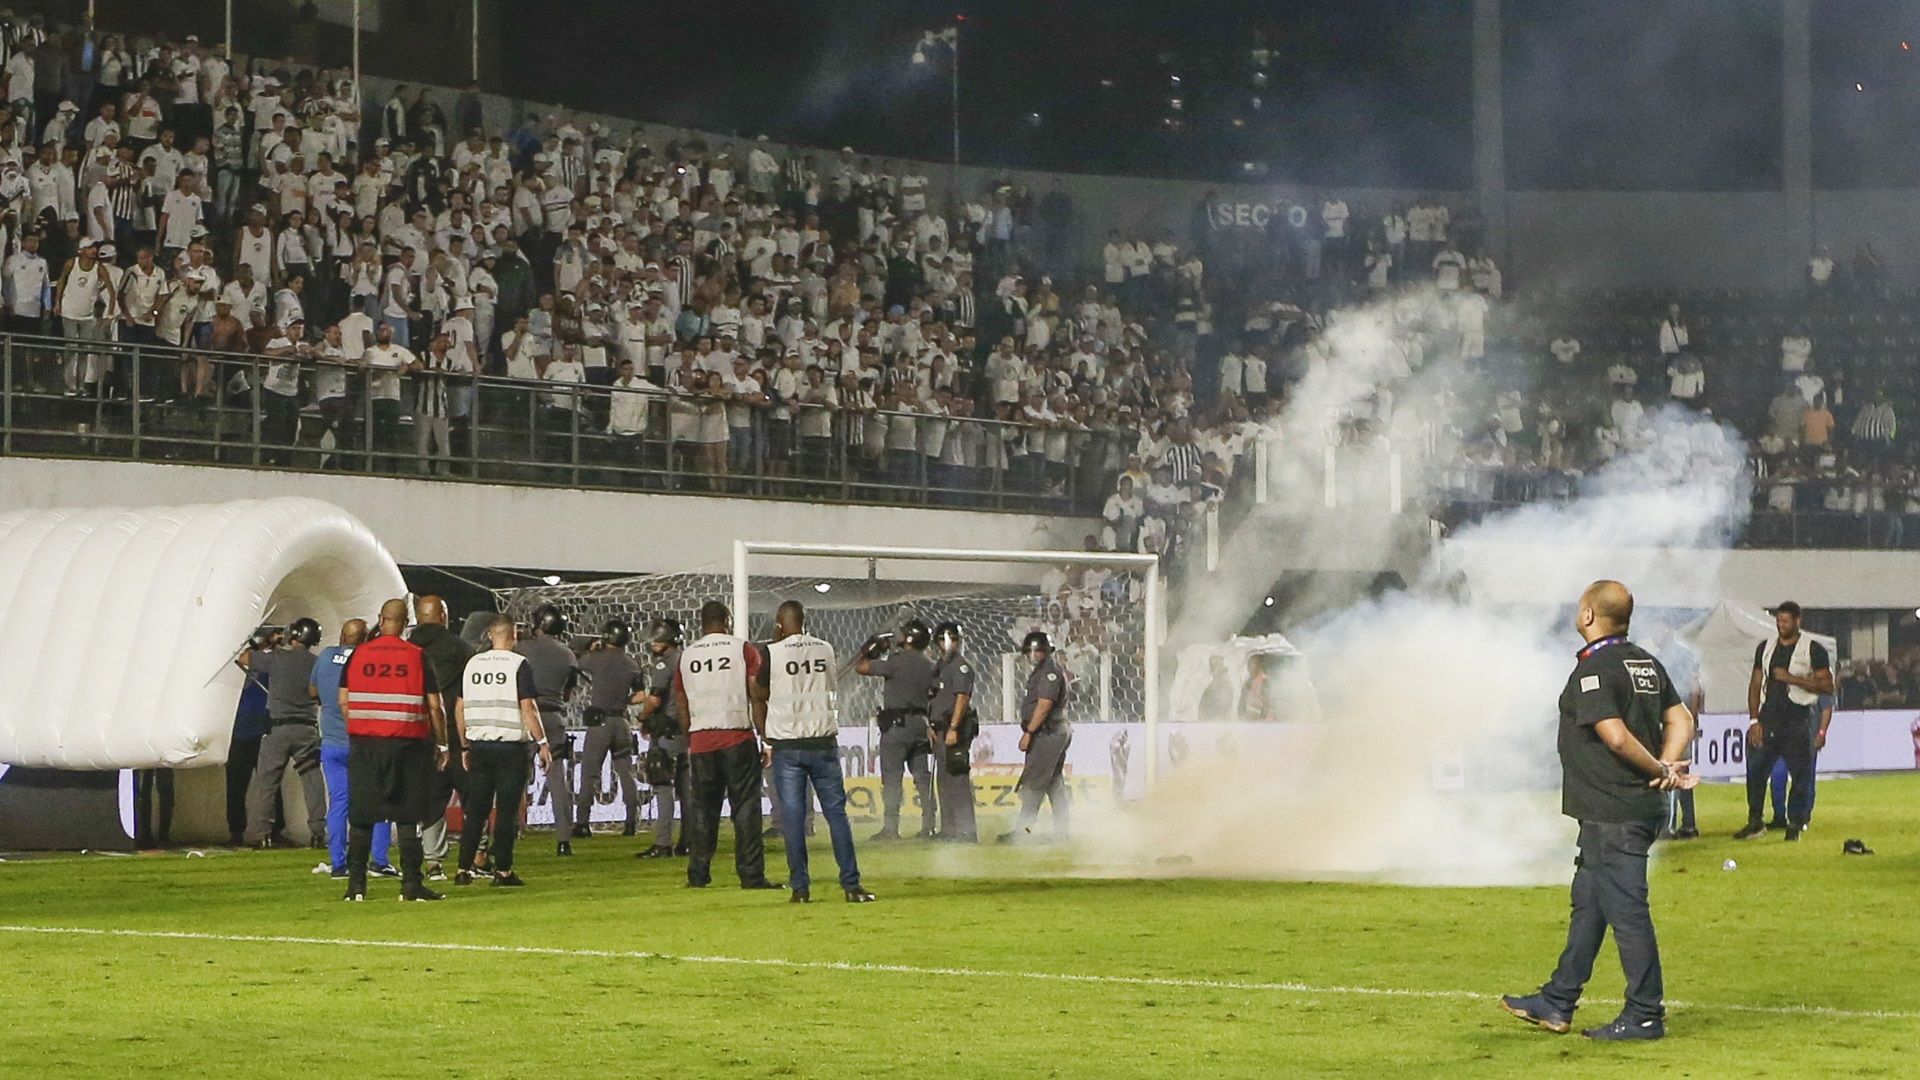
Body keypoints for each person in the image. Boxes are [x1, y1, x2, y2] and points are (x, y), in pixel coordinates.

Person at [1500, 580, 1695, 1042]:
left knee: (1627, 913)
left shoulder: (1596, 669)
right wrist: (1667, 762)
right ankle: (1557, 1001)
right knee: (1589, 904)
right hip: (1624, 811)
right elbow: (1682, 718)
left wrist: (1658, 768)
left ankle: (1646, 1014)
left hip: (1615, 812)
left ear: (1588, 616)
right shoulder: (1645, 661)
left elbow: (1615, 736)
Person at [764, 600, 875, 903]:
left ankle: (800, 888)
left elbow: (761, 694)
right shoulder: (825, 648)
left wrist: (766, 737)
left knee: (793, 818)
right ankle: (851, 885)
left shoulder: (771, 653)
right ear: (804, 620)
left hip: (787, 745)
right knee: (836, 814)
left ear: (779, 622)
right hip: (823, 741)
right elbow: (829, 685)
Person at [341, 598, 449, 902]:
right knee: (407, 816)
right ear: (404, 623)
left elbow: (344, 700)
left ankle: (356, 887)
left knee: (361, 817)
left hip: (364, 744)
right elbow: (434, 706)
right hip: (407, 745)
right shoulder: (417, 656)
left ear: (380, 619)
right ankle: (411, 885)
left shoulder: (357, 655)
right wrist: (442, 743)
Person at [672, 600, 781, 890]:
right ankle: (751, 875)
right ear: (727, 620)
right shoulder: (742, 649)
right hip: (736, 738)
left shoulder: (687, 656)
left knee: (702, 811)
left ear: (701, 623)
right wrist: (766, 738)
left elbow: (681, 704)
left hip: (702, 741)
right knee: (745, 809)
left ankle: (697, 874)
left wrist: (690, 740)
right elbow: (756, 695)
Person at [454, 614, 551, 888]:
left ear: (489, 635)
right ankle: (503, 871)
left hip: (479, 746)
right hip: (510, 747)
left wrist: (464, 745)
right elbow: (528, 708)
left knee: (476, 811)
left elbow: (459, 708)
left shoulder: (472, 664)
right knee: (507, 812)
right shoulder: (518, 665)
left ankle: (463, 869)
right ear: (514, 635)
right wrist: (542, 742)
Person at [1736, 601, 1832, 841]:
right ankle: (1755, 821)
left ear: (1798, 621)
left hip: (1799, 716)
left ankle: (1795, 823)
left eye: (1786, 621)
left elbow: (1827, 685)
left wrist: (1793, 679)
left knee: (1800, 775)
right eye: (1778, 621)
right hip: (1770, 716)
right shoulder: (1766, 647)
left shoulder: (1813, 649)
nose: (1781, 625)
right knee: (1756, 769)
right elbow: (1756, 683)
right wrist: (1753, 720)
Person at [312, 619, 395, 880]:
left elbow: (312, 689)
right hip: (364, 742)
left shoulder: (325, 656)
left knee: (339, 803)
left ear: (342, 636)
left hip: (332, 743)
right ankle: (379, 861)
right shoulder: (367, 660)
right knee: (379, 801)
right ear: (365, 638)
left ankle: (338, 864)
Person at [241, 616, 328, 848]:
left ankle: (262, 834)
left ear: (295, 635)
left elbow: (244, 658)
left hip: (278, 728)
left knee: (267, 782)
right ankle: (318, 832)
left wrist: (269, 642)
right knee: (312, 781)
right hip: (307, 729)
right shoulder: (317, 662)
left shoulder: (278, 657)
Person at [853, 617, 937, 841]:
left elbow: (861, 667)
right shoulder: (930, 664)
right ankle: (929, 824)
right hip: (921, 724)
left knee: (892, 779)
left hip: (897, 726)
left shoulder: (896, 661)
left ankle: (891, 828)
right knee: (922, 777)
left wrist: (870, 649)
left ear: (909, 637)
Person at [408, 595, 474, 881]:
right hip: (457, 737)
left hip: (418, 736)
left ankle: (433, 861)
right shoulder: (460, 649)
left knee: (430, 800)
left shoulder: (407, 648)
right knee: (473, 797)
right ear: (443, 617)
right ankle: (476, 856)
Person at [516, 604, 581, 855]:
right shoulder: (568, 655)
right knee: (557, 780)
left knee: (516, 777)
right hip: (554, 718)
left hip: (526, 715)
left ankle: (512, 830)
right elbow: (568, 692)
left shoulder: (523, 648)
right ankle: (564, 839)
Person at [999, 630, 1073, 844]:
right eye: (1030, 651)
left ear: (1046, 651)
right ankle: (1061, 832)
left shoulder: (1049, 672)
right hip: (1054, 730)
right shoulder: (1044, 671)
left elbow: (1044, 704)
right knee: (1053, 782)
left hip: (1048, 732)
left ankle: (1023, 832)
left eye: (1038, 651)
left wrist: (1029, 732)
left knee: (1034, 784)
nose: (1033, 655)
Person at [574, 617, 646, 838]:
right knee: (626, 771)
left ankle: (583, 823)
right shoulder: (632, 663)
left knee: (590, 773)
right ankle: (632, 822)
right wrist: (624, 701)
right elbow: (642, 694)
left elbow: (573, 661)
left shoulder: (596, 659)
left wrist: (591, 648)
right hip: (622, 722)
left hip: (600, 722)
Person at [635, 617, 691, 859]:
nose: (653, 643)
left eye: (658, 638)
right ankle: (689, 841)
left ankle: (663, 842)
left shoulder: (664, 664)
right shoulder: (688, 660)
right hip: (687, 731)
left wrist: (642, 717)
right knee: (686, 790)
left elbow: (655, 699)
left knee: (662, 787)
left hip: (667, 731)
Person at [927, 621, 979, 842]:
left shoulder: (960, 666)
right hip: (939, 728)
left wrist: (954, 728)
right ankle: (949, 830)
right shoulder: (939, 666)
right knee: (944, 781)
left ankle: (966, 831)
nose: (949, 643)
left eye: (954, 639)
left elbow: (962, 697)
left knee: (957, 780)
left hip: (953, 727)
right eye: (945, 639)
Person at [1771, 691, 1834, 829]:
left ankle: (1801, 817)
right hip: (1783, 736)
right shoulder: (1784, 676)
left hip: (1807, 737)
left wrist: (1821, 733)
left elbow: (1826, 708)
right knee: (1778, 775)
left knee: (1805, 779)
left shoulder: (1818, 677)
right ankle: (1779, 816)